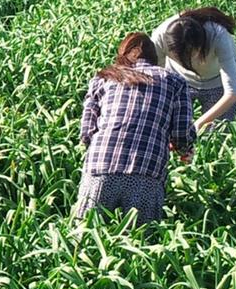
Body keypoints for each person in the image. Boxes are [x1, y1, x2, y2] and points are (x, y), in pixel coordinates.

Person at [75, 33, 196, 225]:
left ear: (122, 54)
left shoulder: (104, 78)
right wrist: (184, 150)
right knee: (141, 236)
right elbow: (182, 133)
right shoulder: (175, 82)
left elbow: (86, 131)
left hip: (100, 166)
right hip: (146, 172)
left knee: (86, 232)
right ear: (154, 56)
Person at [151, 7, 236, 132]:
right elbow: (154, 74)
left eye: (190, 55)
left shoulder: (218, 35)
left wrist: (197, 125)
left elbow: (233, 92)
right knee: (170, 128)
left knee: (216, 131)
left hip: (216, 81)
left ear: (201, 45)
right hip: (179, 79)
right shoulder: (161, 35)